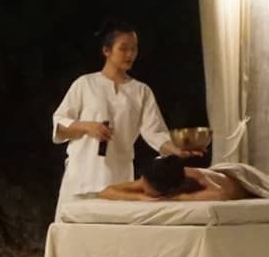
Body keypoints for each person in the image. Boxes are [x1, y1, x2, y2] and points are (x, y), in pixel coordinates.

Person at [50, 25, 196, 220]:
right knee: (73, 233)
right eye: (123, 48)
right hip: (83, 174)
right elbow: (60, 123)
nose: (130, 54)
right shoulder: (85, 84)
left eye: (134, 49)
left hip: (117, 178)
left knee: (112, 237)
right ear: (106, 51)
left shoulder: (141, 91)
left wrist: (177, 150)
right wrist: (87, 126)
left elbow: (155, 132)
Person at [96, 155, 251, 203]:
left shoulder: (193, 176)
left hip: (238, 178)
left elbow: (220, 194)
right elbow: (106, 191)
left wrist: (181, 197)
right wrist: (138, 196)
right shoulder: (150, 179)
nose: (144, 188)